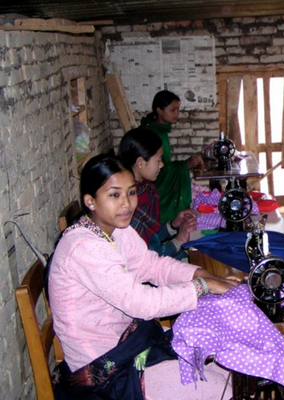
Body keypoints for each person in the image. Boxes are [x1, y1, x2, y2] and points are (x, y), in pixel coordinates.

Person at [48, 153, 238, 399]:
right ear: (91, 201)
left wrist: (202, 273)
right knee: (221, 387)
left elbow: (151, 265)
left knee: (229, 368)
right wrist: (203, 286)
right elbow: (141, 303)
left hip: (129, 345)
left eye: (131, 192)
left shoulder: (115, 229)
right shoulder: (84, 247)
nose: (127, 204)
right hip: (104, 367)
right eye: (114, 195)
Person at [119, 127, 197, 260]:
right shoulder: (132, 200)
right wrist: (179, 240)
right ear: (140, 162)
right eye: (158, 160)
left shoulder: (145, 189)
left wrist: (172, 225)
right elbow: (151, 257)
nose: (161, 165)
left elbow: (152, 237)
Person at [140, 90, 202, 223]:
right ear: (159, 110)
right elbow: (161, 170)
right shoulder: (153, 134)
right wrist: (185, 165)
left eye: (178, 109)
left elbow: (163, 164)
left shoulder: (159, 129)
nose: (177, 114)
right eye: (173, 110)